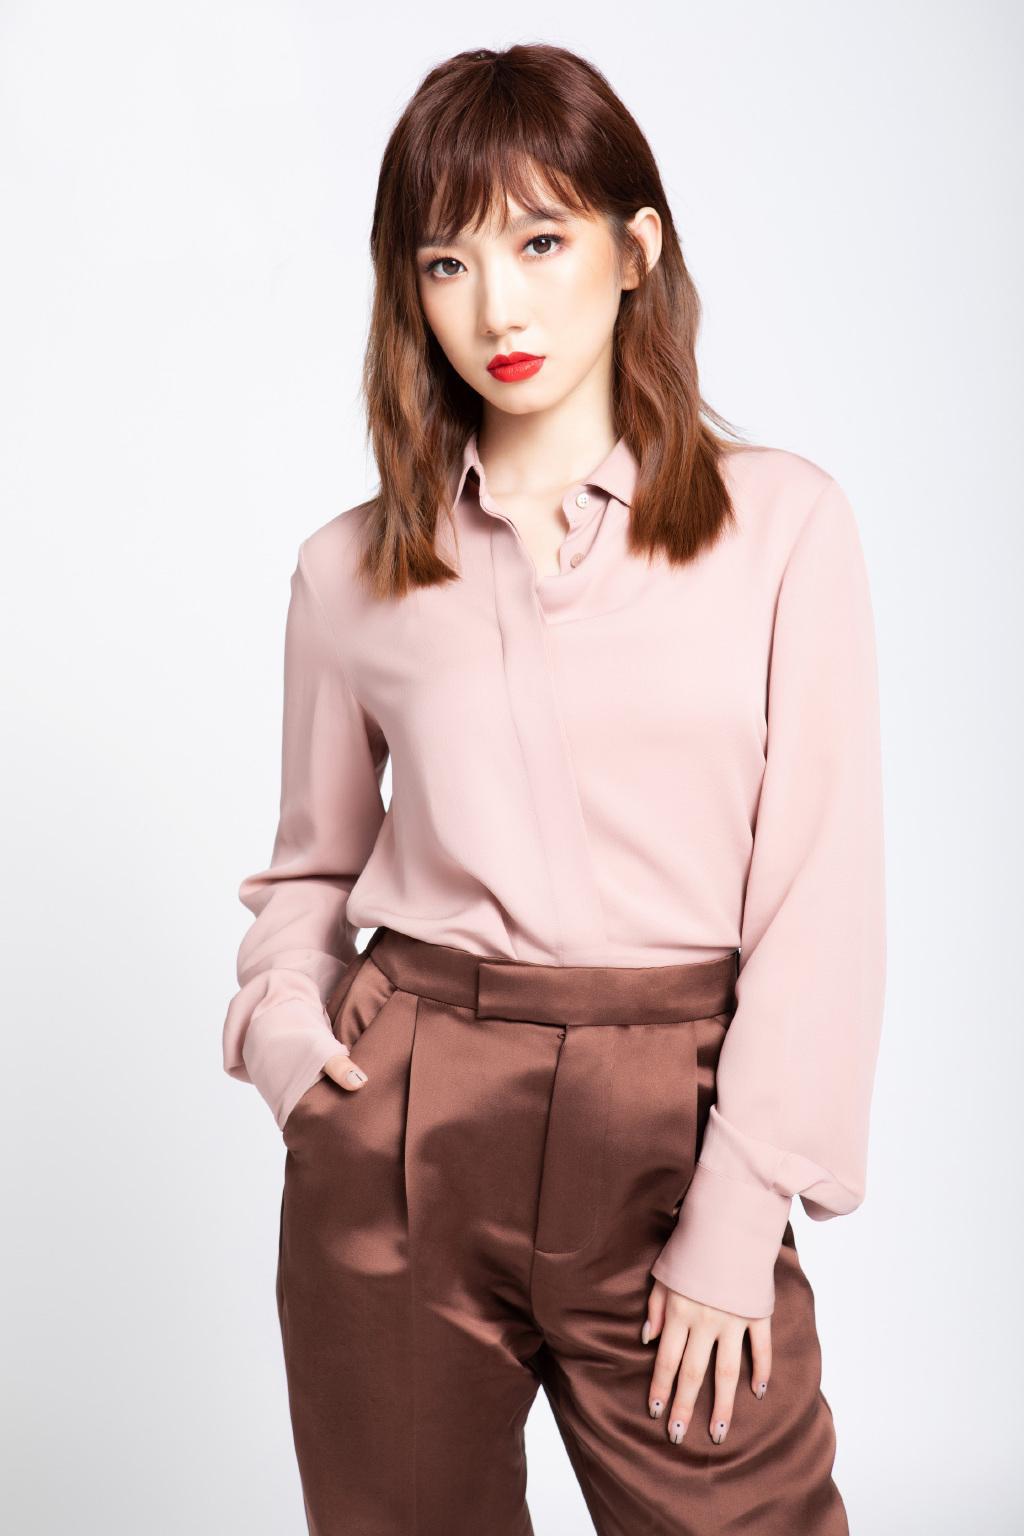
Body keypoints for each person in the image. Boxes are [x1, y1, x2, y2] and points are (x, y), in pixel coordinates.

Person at [221, 41, 886, 1536]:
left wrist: (740, 1210)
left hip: (676, 1122)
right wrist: (284, 1036)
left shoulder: (782, 526)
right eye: (447, 262)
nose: (498, 309)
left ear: (635, 248)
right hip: (405, 1111)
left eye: (540, 243)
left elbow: (822, 896)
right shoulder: (349, 570)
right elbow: (314, 865)